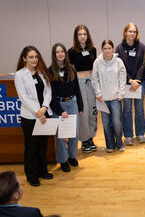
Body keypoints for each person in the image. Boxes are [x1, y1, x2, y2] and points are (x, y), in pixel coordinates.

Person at [14, 46, 53, 187]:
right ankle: (32, 175)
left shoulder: (42, 73)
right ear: (24, 58)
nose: (34, 59)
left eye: (36, 56)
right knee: (31, 146)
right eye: (31, 57)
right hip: (29, 117)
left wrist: (44, 108)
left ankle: (43, 171)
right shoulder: (19, 75)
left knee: (42, 145)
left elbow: (48, 92)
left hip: (43, 114)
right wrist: (37, 112)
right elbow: (23, 97)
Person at [48, 43, 83, 172]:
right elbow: (50, 95)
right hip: (59, 105)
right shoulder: (50, 71)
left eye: (62, 51)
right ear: (54, 54)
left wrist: (80, 106)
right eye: (57, 52)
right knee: (61, 135)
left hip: (72, 103)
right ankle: (63, 160)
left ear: (65, 53)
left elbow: (77, 89)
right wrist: (60, 111)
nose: (60, 54)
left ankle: (72, 156)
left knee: (74, 132)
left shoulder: (71, 69)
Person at [91, 39, 127, 152]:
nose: (107, 50)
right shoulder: (97, 62)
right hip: (103, 99)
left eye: (109, 48)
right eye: (105, 48)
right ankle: (110, 145)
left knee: (117, 122)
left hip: (116, 98)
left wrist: (121, 93)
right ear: (102, 50)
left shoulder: (118, 61)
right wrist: (98, 93)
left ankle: (119, 143)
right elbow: (94, 79)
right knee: (106, 123)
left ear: (113, 49)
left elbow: (122, 78)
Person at [115, 23, 145, 146]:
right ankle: (128, 135)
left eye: (134, 31)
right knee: (127, 110)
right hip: (126, 83)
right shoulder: (119, 48)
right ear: (125, 33)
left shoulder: (142, 47)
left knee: (139, 109)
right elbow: (120, 67)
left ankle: (140, 133)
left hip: (139, 83)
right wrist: (130, 80)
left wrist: (137, 80)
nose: (132, 34)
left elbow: (143, 65)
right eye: (130, 31)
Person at [68, 25, 98, 153]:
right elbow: (70, 69)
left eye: (84, 34)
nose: (82, 36)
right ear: (76, 36)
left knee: (93, 111)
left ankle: (91, 136)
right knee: (83, 112)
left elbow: (95, 67)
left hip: (91, 82)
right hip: (79, 83)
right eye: (80, 34)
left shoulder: (93, 49)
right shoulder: (72, 51)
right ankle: (84, 139)